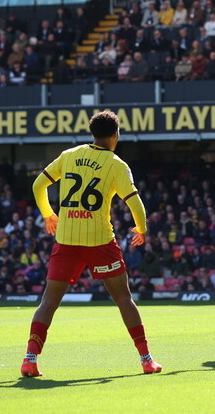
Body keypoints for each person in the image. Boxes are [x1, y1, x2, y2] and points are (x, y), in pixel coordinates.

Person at [22, 110, 161, 377]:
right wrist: (141, 229)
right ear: (115, 135)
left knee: (48, 302)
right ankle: (146, 360)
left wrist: (48, 214)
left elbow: (38, 185)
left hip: (66, 240)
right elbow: (135, 204)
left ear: (92, 133)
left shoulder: (69, 155)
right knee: (123, 298)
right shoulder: (117, 164)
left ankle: (30, 359)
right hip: (100, 242)